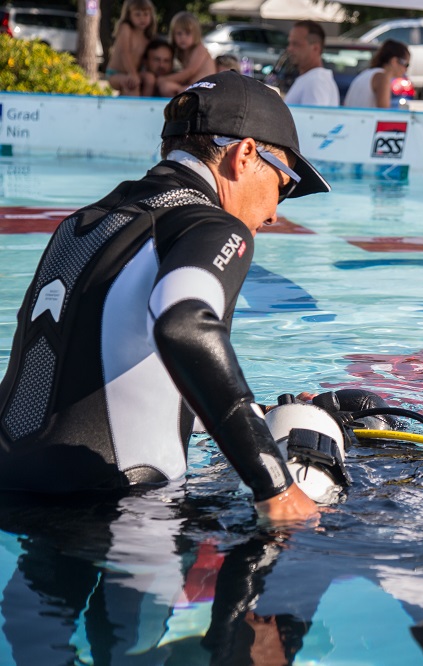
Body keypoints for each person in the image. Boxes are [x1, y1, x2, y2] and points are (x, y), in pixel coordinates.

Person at [0, 71, 331, 523]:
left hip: (14, 487)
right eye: (285, 182)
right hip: (118, 507)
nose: (275, 211)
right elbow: (183, 324)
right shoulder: (213, 226)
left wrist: (256, 413)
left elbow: (105, 373)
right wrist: (273, 484)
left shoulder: (83, 223)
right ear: (244, 154)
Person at [157, 12, 217, 97]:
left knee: (166, 85)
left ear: (196, 34)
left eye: (187, 33)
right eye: (179, 34)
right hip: (192, 86)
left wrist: (164, 79)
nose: (183, 38)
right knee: (166, 86)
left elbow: (189, 72)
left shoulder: (200, 49)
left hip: (205, 88)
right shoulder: (181, 52)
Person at [283, 20, 340, 107]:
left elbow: (314, 119)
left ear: (315, 48)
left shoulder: (317, 81)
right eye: (289, 43)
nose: (289, 48)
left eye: (296, 44)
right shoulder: (312, 78)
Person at [106, 0, 156, 97]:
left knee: (150, 79)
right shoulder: (126, 28)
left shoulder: (147, 38)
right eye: (137, 15)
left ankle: (145, 105)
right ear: (129, 15)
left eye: (146, 14)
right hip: (115, 74)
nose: (142, 18)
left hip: (134, 73)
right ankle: (133, 108)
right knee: (131, 85)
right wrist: (132, 73)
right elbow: (125, 52)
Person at [343, 39, 410, 109]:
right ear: (394, 61)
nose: (406, 69)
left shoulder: (366, 74)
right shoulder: (382, 77)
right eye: (406, 64)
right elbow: (384, 111)